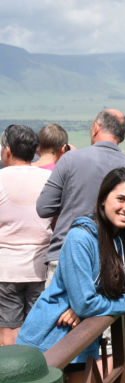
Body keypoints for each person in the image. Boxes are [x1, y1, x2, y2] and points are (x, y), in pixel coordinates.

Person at [16, 167, 125, 362]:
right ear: (103, 200)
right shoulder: (80, 239)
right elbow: (86, 304)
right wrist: (117, 303)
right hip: (47, 342)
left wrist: (89, 306)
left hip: (79, 342)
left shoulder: (120, 239)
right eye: (121, 199)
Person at [36, 109, 125, 287]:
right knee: (105, 314)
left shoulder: (70, 160)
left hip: (65, 257)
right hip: (114, 263)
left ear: (95, 128)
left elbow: (44, 208)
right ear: (122, 137)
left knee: (57, 313)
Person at [0, 125, 52, 345]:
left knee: (9, 332)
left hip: (6, 269)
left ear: (8, 151)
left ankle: (14, 378)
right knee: (38, 330)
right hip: (41, 266)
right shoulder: (49, 178)